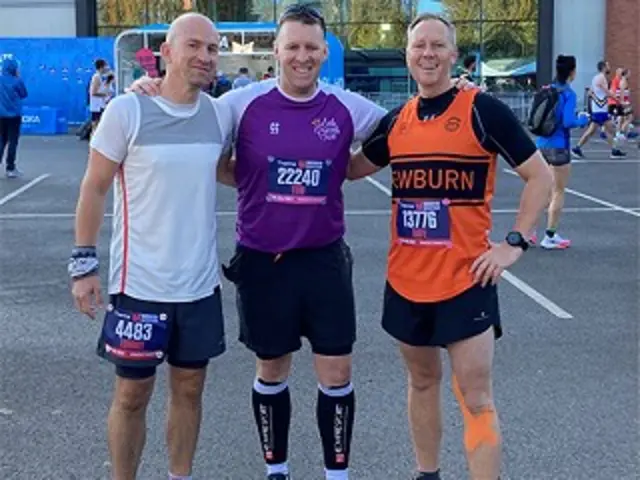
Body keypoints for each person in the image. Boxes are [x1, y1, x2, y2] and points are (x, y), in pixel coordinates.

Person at [130, 5, 388, 479]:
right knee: (273, 371)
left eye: (312, 48)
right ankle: (278, 469)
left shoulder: (346, 107)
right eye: (292, 46)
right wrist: (146, 89)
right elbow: (189, 121)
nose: (302, 56)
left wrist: (456, 98)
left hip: (325, 260)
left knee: (337, 373)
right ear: (277, 51)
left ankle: (337, 474)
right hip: (263, 262)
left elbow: (401, 129)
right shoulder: (240, 105)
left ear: (325, 53)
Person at [346, 13, 552, 480]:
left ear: (454, 55)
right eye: (420, 46)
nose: (428, 54)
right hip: (406, 281)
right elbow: (352, 168)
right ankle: (428, 473)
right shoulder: (398, 121)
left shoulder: (483, 109)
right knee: (421, 383)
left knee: (476, 399)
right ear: (407, 56)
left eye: (438, 46)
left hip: (466, 282)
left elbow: (538, 175)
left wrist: (514, 243)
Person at [69, 13, 235, 480]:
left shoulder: (220, 113)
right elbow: (94, 187)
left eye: (213, 48)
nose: (205, 56)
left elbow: (231, 167)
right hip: (138, 285)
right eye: (195, 46)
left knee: (189, 389)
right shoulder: (128, 111)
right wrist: (83, 265)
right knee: (131, 395)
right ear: (167, 53)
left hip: (200, 287)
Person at [532, 55, 589, 249]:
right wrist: (582, 119)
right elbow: (567, 122)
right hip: (559, 147)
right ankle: (550, 235)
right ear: (572, 71)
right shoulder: (568, 94)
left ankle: (529, 231)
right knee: (558, 191)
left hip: (541, 144)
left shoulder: (548, 89)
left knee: (542, 190)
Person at [572, 60, 626, 159]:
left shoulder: (596, 78)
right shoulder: (601, 78)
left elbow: (591, 92)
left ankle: (577, 148)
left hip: (599, 109)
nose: (609, 67)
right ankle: (614, 149)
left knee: (595, 131)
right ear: (604, 67)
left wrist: (596, 101)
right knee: (610, 129)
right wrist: (619, 101)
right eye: (608, 65)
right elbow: (607, 93)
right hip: (600, 110)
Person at [0, 56, 28, 178]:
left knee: (1, 141)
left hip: (0, 115)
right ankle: (10, 168)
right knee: (13, 141)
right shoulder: (17, 81)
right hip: (14, 115)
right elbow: (24, 94)